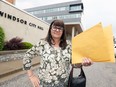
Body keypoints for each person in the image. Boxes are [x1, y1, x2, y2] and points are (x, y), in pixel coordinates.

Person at [23, 19, 92, 87]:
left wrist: (82, 63)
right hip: (44, 84)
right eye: (55, 27)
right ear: (50, 29)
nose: (57, 30)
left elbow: (74, 64)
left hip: (63, 84)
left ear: (63, 31)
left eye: (60, 28)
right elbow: (27, 56)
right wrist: (31, 75)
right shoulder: (42, 44)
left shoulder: (69, 45)